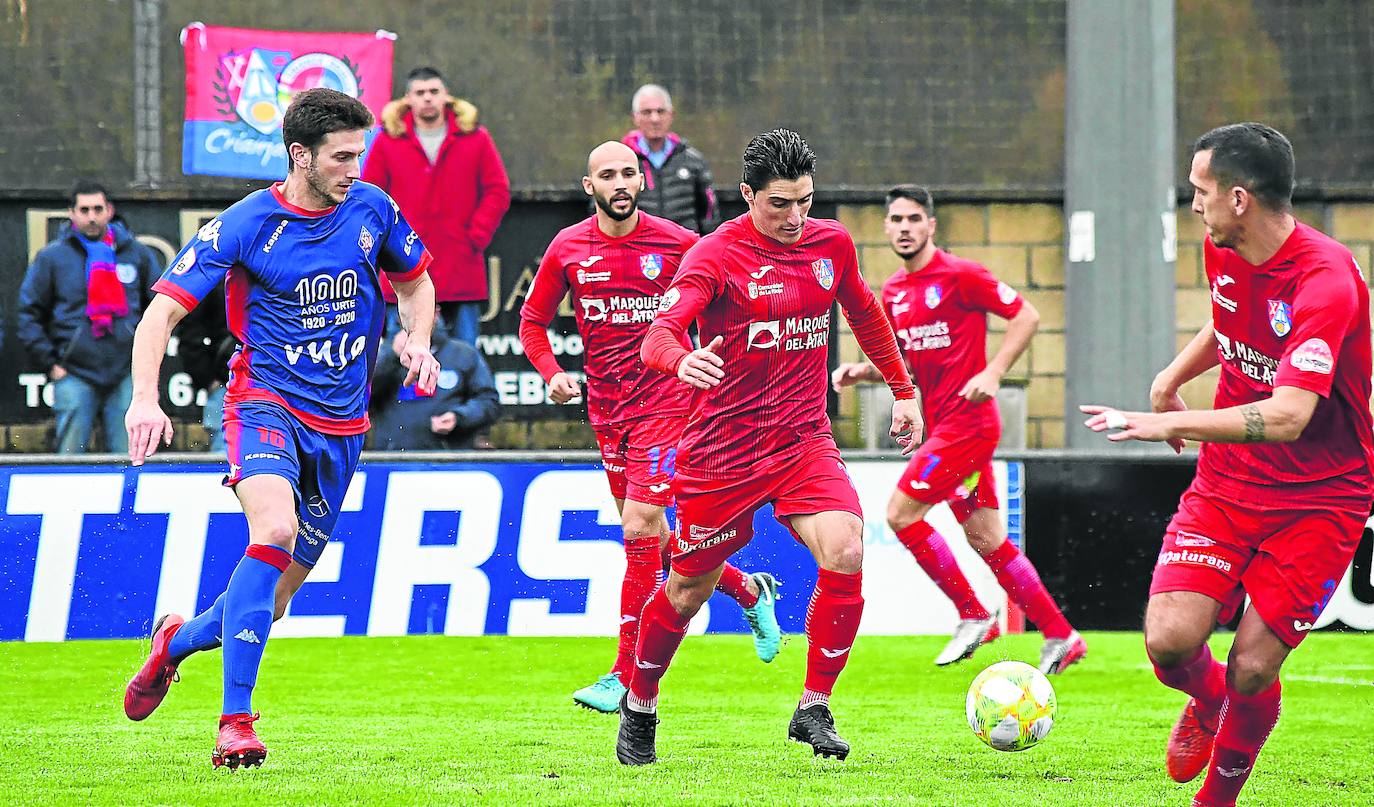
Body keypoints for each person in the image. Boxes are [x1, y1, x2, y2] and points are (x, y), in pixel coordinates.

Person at [121, 88, 441, 770]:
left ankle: (174, 642)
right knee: (273, 532)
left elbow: (416, 281)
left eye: (361, 154)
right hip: (263, 404)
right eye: (341, 157)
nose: (354, 168)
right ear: (300, 155)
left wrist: (417, 338)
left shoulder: (373, 208)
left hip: (344, 425)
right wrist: (145, 399)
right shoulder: (243, 224)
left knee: (273, 598)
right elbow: (159, 316)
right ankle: (235, 722)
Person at [1081, 123, 1373, 807]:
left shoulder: (1326, 281)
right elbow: (1230, 318)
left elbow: (1290, 415)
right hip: (1229, 480)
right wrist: (1171, 375)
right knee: (1169, 642)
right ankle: (1206, 704)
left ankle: (1216, 799)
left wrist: (1168, 421)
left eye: (1200, 191)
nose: (1193, 204)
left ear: (1239, 198)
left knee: (1250, 667)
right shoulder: (1225, 247)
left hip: (1320, 497)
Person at [616, 129, 921, 765]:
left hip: (804, 440)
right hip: (721, 451)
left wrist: (903, 390)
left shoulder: (831, 243)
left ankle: (814, 706)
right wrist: (680, 360)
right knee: (686, 591)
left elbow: (864, 313)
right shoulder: (714, 254)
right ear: (747, 194)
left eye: (805, 202)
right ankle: (640, 703)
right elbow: (659, 335)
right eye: (780, 204)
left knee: (846, 548)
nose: (794, 218)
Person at [520, 141, 782, 715]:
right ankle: (747, 589)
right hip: (609, 413)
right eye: (606, 175)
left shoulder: (678, 242)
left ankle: (623, 675)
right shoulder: (568, 248)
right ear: (589, 186)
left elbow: (728, 288)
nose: (619, 182)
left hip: (672, 404)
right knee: (659, 541)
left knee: (640, 527)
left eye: (627, 173)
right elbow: (533, 322)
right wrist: (551, 373)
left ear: (642, 181)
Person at [832, 186, 1086, 674]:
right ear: (886, 229)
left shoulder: (961, 275)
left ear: (931, 225)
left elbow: (1026, 316)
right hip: (945, 427)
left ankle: (973, 613)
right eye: (896, 220)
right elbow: (905, 356)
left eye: (913, 219)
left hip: (968, 426)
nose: (904, 228)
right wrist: (862, 372)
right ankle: (1061, 634)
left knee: (901, 514)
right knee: (988, 539)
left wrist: (992, 372)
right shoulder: (894, 292)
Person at [362, 66, 511, 345]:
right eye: (420, 92)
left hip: (460, 269)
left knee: (465, 359)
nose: (427, 98)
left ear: (446, 97)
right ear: (408, 99)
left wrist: (475, 237)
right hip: (403, 269)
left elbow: (497, 190)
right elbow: (371, 195)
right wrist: (387, 245)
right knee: (401, 361)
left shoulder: (475, 138)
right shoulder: (387, 141)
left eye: (434, 91)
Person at [17, 180, 160, 453]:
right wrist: (51, 362)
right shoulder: (52, 257)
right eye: (84, 210)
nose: (91, 217)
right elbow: (29, 313)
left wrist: (146, 359)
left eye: (98, 209)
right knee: (70, 456)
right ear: (71, 213)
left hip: (126, 370)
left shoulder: (137, 254)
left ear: (110, 210)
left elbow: (158, 309)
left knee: (131, 454)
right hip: (74, 372)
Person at [370, 312, 499, 450]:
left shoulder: (463, 354)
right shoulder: (383, 354)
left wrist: (459, 417)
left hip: (447, 459)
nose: (417, 312)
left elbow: (488, 401)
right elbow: (362, 396)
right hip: (391, 458)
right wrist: (392, 356)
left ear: (437, 313)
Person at [620, 84, 720, 234]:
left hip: (685, 251)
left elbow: (709, 212)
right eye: (647, 112)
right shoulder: (621, 161)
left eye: (660, 111)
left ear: (671, 115)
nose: (655, 119)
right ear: (635, 117)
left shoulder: (693, 161)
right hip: (638, 251)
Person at [175, 283, 234, 452]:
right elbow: (190, 334)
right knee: (224, 461)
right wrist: (207, 378)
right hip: (226, 384)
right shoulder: (214, 273)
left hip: (273, 382)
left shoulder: (277, 266)